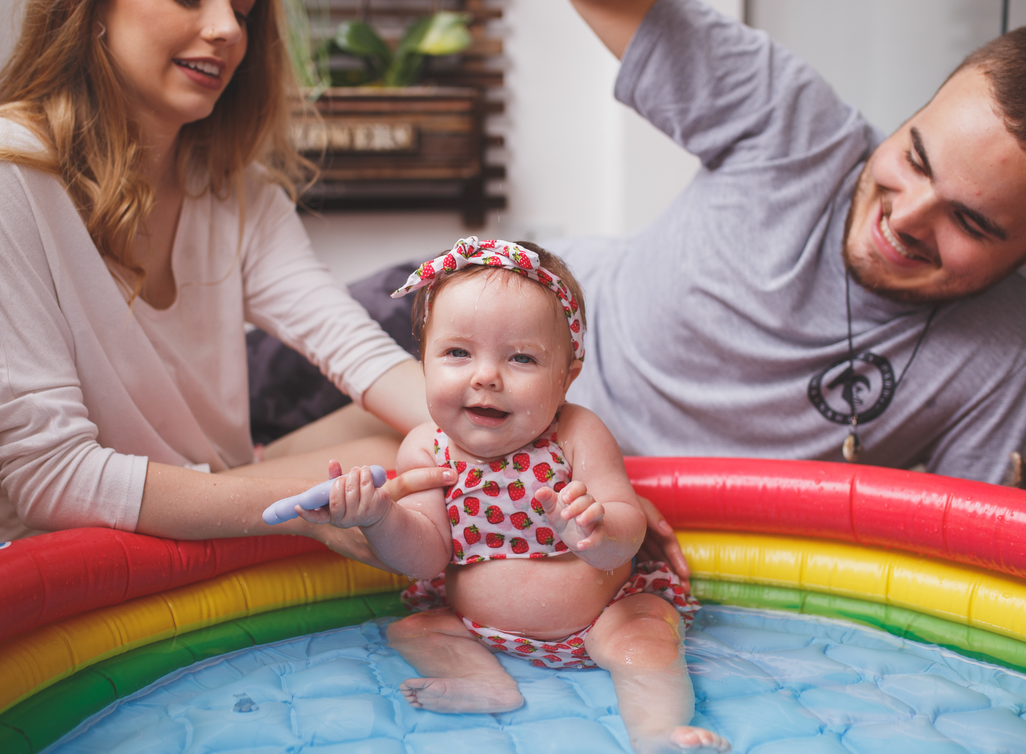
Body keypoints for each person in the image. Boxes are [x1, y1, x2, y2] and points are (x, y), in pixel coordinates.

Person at [0, 0, 456, 557]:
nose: (227, 28)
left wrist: (514, 434)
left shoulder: (240, 191)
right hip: (63, 548)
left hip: (217, 485)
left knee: (419, 447)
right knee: (399, 477)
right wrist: (305, 511)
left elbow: (353, 348)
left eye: (243, 8)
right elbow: (51, 480)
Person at [537, 0, 1026, 486]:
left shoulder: (1015, 346)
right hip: (526, 386)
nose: (905, 216)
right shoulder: (791, 122)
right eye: (915, 158)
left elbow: (981, 558)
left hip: (675, 531)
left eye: (970, 221)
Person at [300, 238, 729, 753]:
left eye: (522, 358)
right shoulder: (426, 448)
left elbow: (628, 526)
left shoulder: (576, 432)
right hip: (476, 626)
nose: (486, 376)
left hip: (602, 617)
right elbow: (425, 556)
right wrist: (379, 519)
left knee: (648, 635)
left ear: (567, 377)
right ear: (424, 363)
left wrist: (596, 532)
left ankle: (658, 730)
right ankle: (484, 684)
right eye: (457, 352)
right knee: (415, 629)